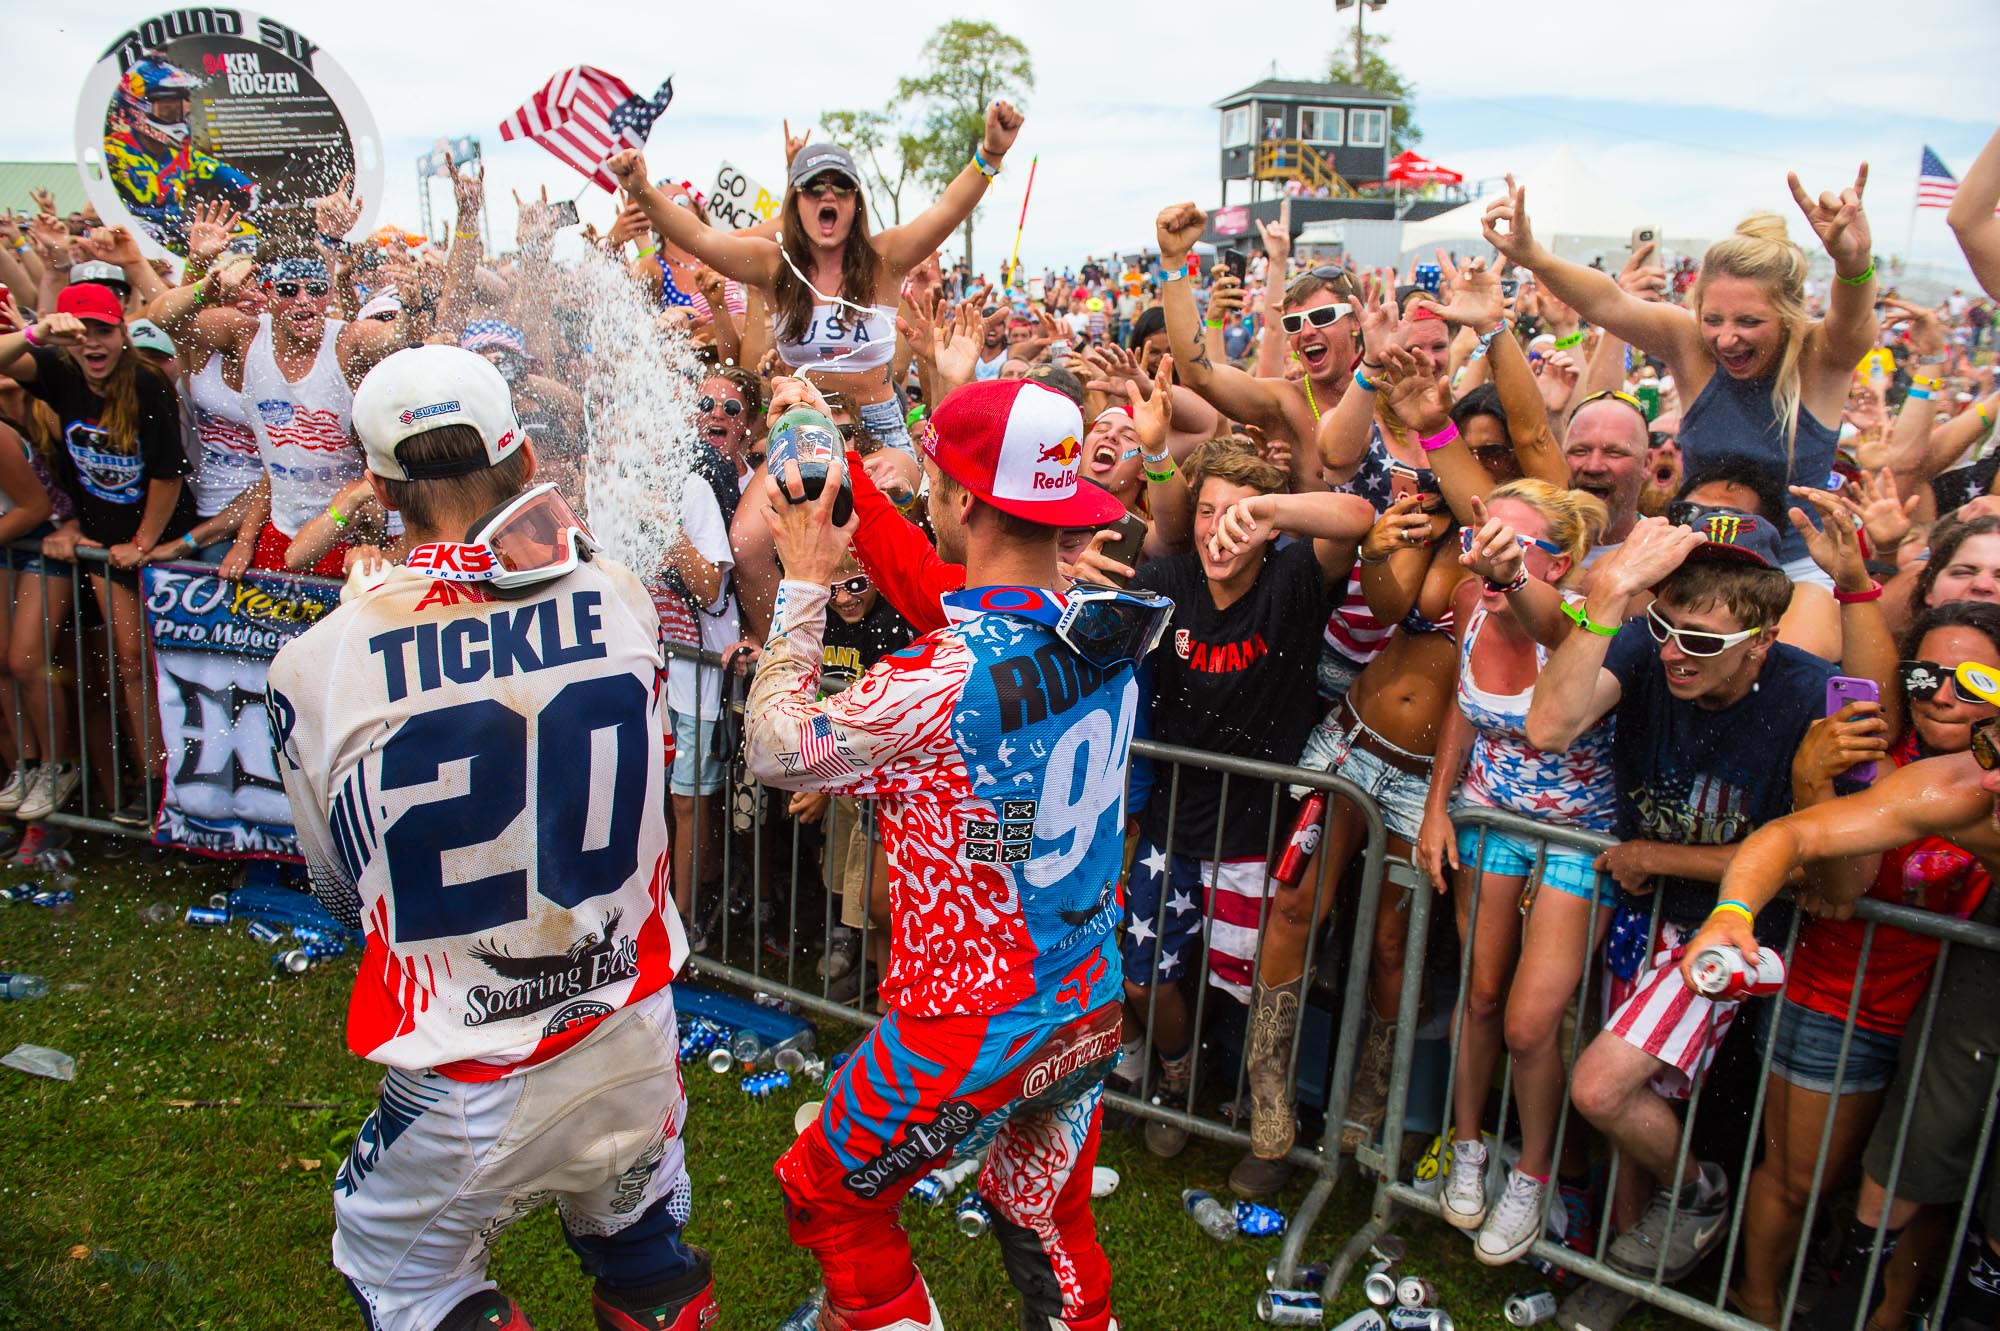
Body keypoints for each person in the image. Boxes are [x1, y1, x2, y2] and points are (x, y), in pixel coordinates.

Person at [266, 345, 713, 1331]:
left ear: (379, 483)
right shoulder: (621, 599)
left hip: (467, 1069)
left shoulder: (317, 662)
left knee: (400, 1276)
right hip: (630, 1022)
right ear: (517, 456)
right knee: (643, 1252)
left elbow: (342, 892)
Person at [745, 375, 1164, 1331]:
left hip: (963, 1027)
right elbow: (969, 616)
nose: (926, 492)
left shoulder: (935, 679)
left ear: (967, 501)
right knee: (1039, 1207)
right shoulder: (1109, 629)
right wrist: (838, 449)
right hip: (1087, 997)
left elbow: (775, 749)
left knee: (828, 1192)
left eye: (935, 481)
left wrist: (806, 582)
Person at [1524, 507, 1892, 1325]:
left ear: (1761, 639)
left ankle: (1699, 1192)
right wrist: (1612, 592)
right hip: (1642, 918)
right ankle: (1619, 1284)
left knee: (1603, 1086)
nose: (1671, 653)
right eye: (1664, 626)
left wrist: (1659, 857)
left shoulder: (1804, 692)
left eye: (1700, 640)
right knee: (1631, 1124)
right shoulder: (1645, 650)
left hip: (1730, 937)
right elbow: (1547, 726)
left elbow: (1818, 863)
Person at [1685, 653, 2000, 1331]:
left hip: (1933, 1004)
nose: (1995, 774)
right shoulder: (1961, 788)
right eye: (1990, 748)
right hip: (1857, 1004)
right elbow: (1798, 834)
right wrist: (1732, 912)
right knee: (1852, 1174)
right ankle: (1769, 1305)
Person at [1118, 439, 1374, 1171]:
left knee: (1251, 986)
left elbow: (1356, 516)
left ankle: (1262, 1106)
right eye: (1207, 511)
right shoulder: (1168, 581)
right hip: (1173, 818)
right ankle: (1178, 1072)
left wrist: (1270, 512)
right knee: (1143, 974)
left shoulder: (1293, 577)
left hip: (1259, 833)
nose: (1217, 529)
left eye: (1238, 514)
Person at [1484, 168, 1880, 583]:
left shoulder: (1820, 355)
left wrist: (1852, 264)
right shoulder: (1691, 344)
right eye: (1713, 319)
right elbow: (1609, 302)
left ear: (1787, 317)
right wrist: (1535, 257)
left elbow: (1854, 318)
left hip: (1798, 569)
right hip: (1698, 558)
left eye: (1748, 321)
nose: (1726, 339)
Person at [1415, 481, 1616, 1266]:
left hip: (1576, 838)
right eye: (1484, 539)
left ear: (1560, 563)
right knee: (1483, 995)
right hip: (1489, 820)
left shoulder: (1584, 621)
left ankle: (1533, 1176)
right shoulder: (1473, 601)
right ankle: (1469, 1146)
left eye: (1515, 544)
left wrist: (1516, 582)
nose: (1489, 556)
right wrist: (1439, 809)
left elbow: (1553, 631)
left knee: (1534, 1024)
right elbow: (1463, 712)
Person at [607, 98, 1023, 467]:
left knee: (892, 511)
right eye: (813, 188)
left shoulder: (886, 258)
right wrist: (640, 188)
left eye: (841, 187)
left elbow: (947, 210)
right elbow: (701, 238)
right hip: (800, 424)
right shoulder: (774, 264)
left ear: (856, 202)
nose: (829, 196)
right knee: (749, 540)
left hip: (878, 427)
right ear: (796, 202)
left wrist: (989, 153)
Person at [0, 280, 196, 828]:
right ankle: (155, 784)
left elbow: (166, 475)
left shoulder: (147, 383)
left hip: (163, 549)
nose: (93, 342)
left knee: (175, 666)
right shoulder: (60, 373)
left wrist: (143, 543)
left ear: (121, 333)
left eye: (104, 330)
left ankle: (191, 785)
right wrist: (35, 332)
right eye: (81, 331)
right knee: (130, 663)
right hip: (108, 550)